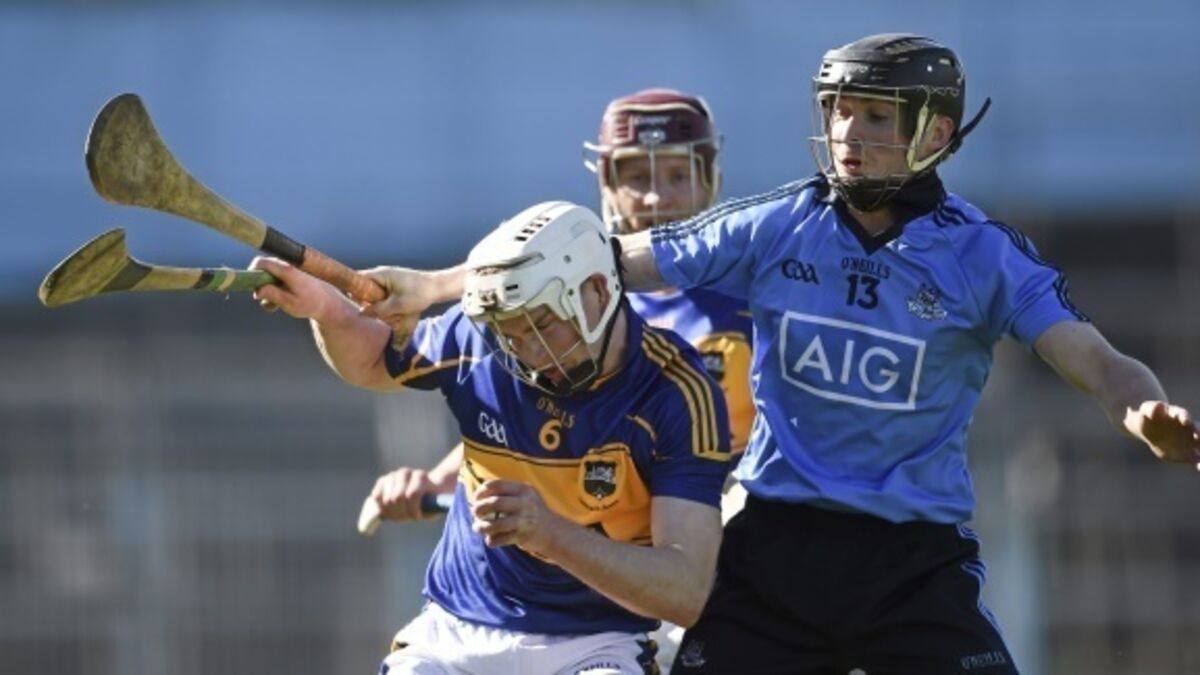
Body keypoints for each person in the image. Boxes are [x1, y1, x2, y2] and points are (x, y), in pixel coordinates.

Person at [366, 34, 1200, 674]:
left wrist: (1140, 410)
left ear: (935, 132)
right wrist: (434, 285)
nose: (848, 133)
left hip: (913, 561)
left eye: (876, 116)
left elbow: (1098, 361)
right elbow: (600, 259)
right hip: (770, 547)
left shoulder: (985, 255)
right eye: (839, 111)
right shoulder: (778, 224)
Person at [253, 201, 731, 674]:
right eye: (510, 334)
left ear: (598, 291)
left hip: (597, 642)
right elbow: (375, 360)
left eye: (543, 325)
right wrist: (327, 311)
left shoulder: (676, 391)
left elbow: (684, 591)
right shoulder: (486, 338)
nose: (528, 354)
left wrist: (550, 534)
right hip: (456, 631)